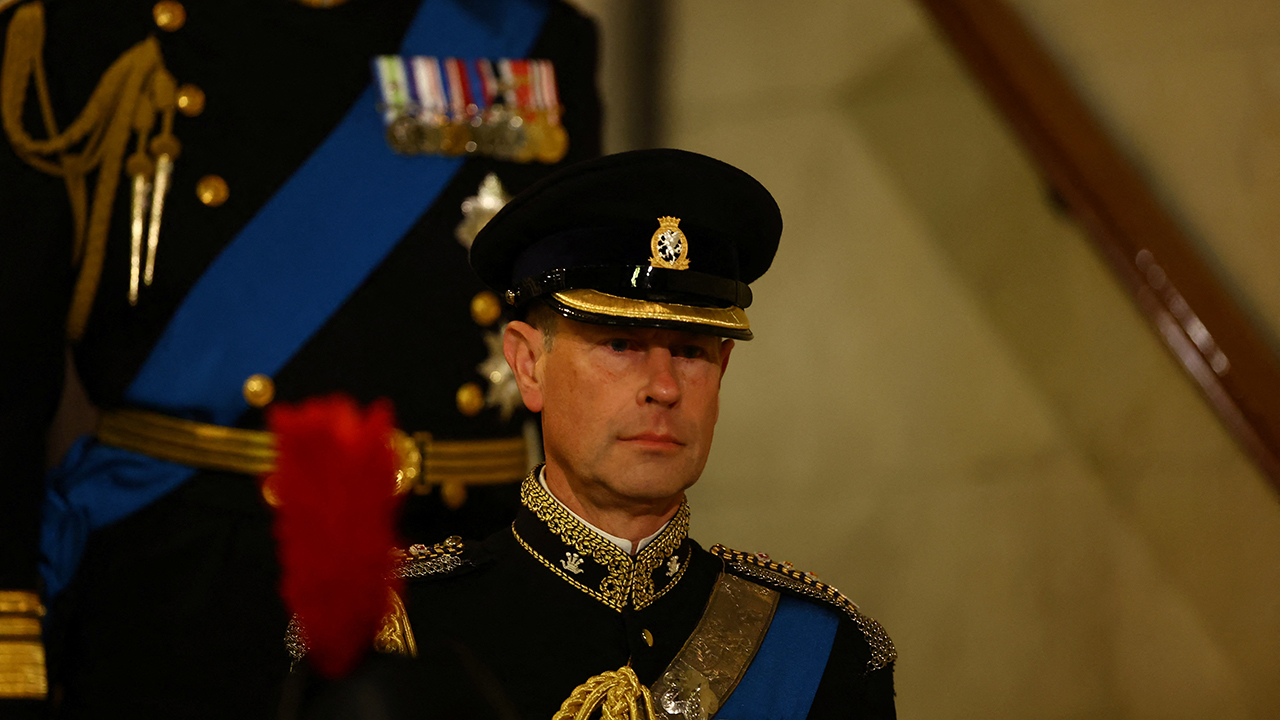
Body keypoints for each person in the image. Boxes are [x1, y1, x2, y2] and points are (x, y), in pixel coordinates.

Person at [0, 0, 600, 716]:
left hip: (472, 580)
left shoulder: (520, 33)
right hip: (186, 597)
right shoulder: (88, 35)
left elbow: (585, 363)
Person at [381, 148, 898, 718]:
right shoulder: (401, 635)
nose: (665, 386)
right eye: (620, 344)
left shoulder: (821, 652)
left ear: (722, 371)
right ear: (528, 365)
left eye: (690, 351)